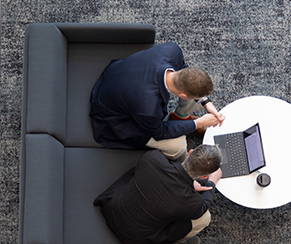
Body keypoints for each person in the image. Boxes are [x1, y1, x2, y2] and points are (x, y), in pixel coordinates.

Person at [89, 42, 225, 161]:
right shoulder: (148, 107)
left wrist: (206, 102)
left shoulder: (172, 50)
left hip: (121, 76)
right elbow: (160, 132)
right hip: (114, 118)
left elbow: (184, 68)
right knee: (178, 146)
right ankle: (183, 165)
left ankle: (179, 118)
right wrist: (198, 123)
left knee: (193, 99)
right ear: (181, 94)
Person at [93, 144, 223, 244]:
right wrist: (212, 182)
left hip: (112, 207)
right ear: (204, 175)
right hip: (133, 240)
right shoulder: (192, 203)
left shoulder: (153, 158)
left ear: (190, 152)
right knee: (204, 219)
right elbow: (203, 206)